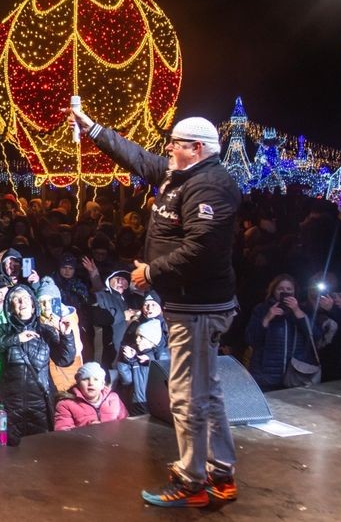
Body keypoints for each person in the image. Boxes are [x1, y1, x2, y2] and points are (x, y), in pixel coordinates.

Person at [71, 108, 241, 507]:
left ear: (196, 149)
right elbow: (135, 156)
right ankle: (221, 472)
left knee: (185, 393)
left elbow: (202, 249)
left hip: (198, 306)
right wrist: (92, 127)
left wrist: (152, 274)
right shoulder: (180, 175)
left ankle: (192, 478)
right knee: (208, 390)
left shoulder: (210, 186)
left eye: (175, 144)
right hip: (189, 302)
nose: (167, 149)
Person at [0, 284, 76, 445]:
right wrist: (16, 338)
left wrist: (66, 335)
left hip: (40, 403)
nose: (22, 302)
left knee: (42, 451)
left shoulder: (45, 330)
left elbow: (65, 359)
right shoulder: (5, 330)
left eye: (25, 298)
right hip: (10, 405)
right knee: (11, 453)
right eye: (16, 300)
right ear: (10, 308)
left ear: (34, 306)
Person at [246, 274, 322, 391]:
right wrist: (267, 318)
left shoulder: (303, 310)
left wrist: (297, 311)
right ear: (273, 291)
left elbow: (315, 336)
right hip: (266, 375)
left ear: (295, 292)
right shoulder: (261, 309)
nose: (285, 292)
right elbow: (252, 340)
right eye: (280, 289)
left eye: (289, 289)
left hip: (296, 374)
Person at [114, 318, 169, 416]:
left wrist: (150, 361)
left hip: (158, 407)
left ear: (152, 340)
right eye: (137, 336)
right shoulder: (134, 355)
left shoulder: (163, 357)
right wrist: (125, 360)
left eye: (141, 337)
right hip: (137, 405)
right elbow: (127, 380)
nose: (137, 339)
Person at [54, 362, 128, 431]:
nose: (91, 383)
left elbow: (125, 424)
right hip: (83, 444)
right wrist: (87, 429)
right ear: (78, 383)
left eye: (96, 379)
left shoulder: (113, 398)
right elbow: (63, 433)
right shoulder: (65, 404)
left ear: (102, 384)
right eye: (85, 379)